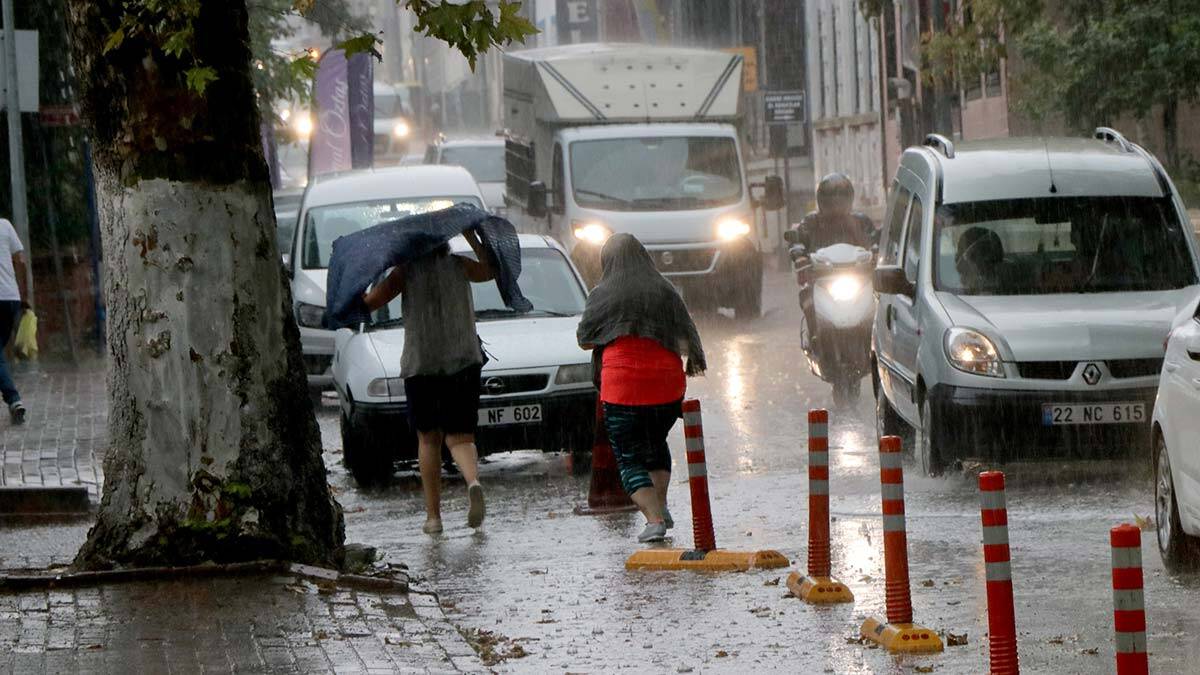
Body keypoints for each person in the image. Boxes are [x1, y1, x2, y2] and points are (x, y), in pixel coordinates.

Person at [362, 228, 494, 535]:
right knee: (461, 437)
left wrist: (371, 268)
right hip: (463, 360)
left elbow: (370, 303)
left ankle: (434, 518)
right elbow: (491, 270)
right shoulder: (460, 265)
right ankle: (472, 481)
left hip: (422, 364)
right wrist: (472, 237)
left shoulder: (405, 272)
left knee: (428, 439)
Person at [577, 234, 706, 544]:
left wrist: (616, 330)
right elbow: (685, 331)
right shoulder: (664, 289)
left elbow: (585, 339)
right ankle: (660, 504)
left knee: (629, 455)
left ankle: (654, 518)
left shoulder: (602, 294)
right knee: (655, 442)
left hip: (623, 388)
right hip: (667, 386)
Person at [792, 174, 877, 347]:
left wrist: (877, 253)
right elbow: (797, 240)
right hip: (821, 279)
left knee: (879, 298)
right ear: (822, 200)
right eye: (831, 200)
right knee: (807, 298)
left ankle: (875, 338)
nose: (836, 205)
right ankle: (814, 336)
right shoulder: (811, 222)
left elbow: (875, 240)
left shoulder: (860, 221)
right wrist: (800, 256)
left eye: (841, 199)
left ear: (849, 199)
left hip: (858, 278)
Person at [0, 216, 26, 425]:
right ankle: (13, 399)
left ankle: (13, 399)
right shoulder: (5, 225)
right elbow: (21, 259)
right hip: (11, 298)